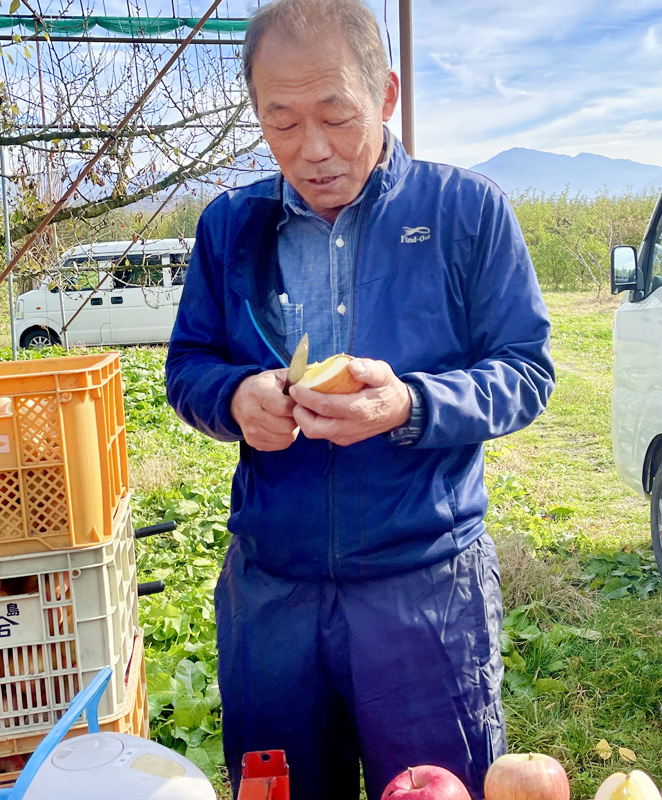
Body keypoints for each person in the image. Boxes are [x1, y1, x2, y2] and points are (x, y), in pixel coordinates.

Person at [165, 0, 555, 796]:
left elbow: (525, 370)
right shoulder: (230, 227)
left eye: (337, 116)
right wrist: (236, 397)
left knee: (435, 787)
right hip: (272, 588)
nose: (312, 151)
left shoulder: (464, 213)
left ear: (385, 95)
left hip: (423, 591)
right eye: (282, 123)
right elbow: (188, 366)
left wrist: (409, 405)